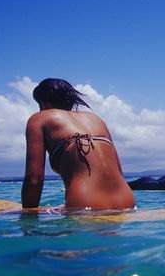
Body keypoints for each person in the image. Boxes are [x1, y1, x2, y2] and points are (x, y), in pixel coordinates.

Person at [21, 78, 135, 210]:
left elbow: (34, 179)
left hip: (85, 205)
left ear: (43, 103)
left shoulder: (40, 118)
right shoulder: (95, 119)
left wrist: (28, 215)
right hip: (127, 202)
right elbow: (119, 171)